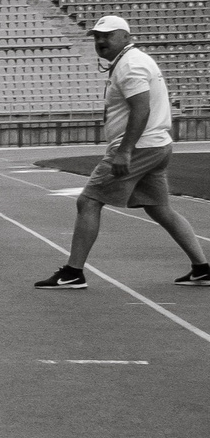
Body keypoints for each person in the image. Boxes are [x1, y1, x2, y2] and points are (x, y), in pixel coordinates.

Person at [37, 15, 210, 289]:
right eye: (97, 36)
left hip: (139, 147)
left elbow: (141, 109)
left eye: (108, 35)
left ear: (126, 37)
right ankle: (202, 268)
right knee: (160, 209)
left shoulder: (129, 65)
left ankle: (73, 272)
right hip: (156, 144)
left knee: (89, 201)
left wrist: (124, 151)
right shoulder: (132, 61)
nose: (101, 40)